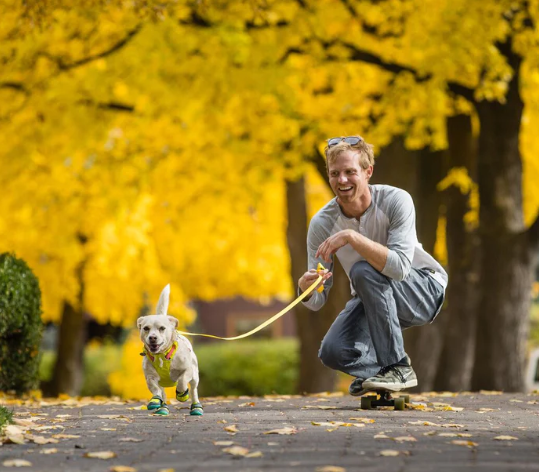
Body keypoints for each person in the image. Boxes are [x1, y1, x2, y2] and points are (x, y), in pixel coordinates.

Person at [298, 136, 447, 395]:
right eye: (335, 174)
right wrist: (307, 288)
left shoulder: (396, 200)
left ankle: (398, 367)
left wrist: (353, 238)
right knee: (333, 351)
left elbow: (400, 268)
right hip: (373, 299)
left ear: (368, 172)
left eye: (350, 172)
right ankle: (380, 373)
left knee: (363, 270)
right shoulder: (322, 224)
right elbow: (318, 300)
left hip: (423, 289)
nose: (341, 180)